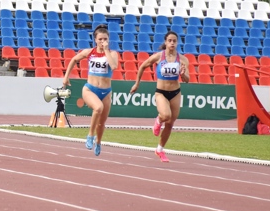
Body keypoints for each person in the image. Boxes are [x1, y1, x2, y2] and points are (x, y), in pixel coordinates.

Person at [130, 31, 190, 162]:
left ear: (177, 42)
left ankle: (160, 150)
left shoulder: (183, 59)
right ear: (166, 42)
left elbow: (187, 79)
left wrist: (183, 74)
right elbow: (142, 66)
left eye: (174, 41)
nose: (172, 43)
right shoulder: (158, 57)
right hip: (161, 92)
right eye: (170, 40)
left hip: (175, 93)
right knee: (165, 116)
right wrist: (136, 84)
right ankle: (158, 120)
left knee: (170, 124)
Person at [62, 25, 119, 156]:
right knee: (97, 108)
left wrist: (106, 51)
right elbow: (74, 59)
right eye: (100, 39)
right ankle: (90, 135)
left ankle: (98, 141)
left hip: (106, 92)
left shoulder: (112, 54)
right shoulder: (89, 52)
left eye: (105, 39)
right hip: (90, 89)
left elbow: (114, 66)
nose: (103, 41)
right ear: (95, 40)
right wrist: (66, 77)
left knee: (102, 123)